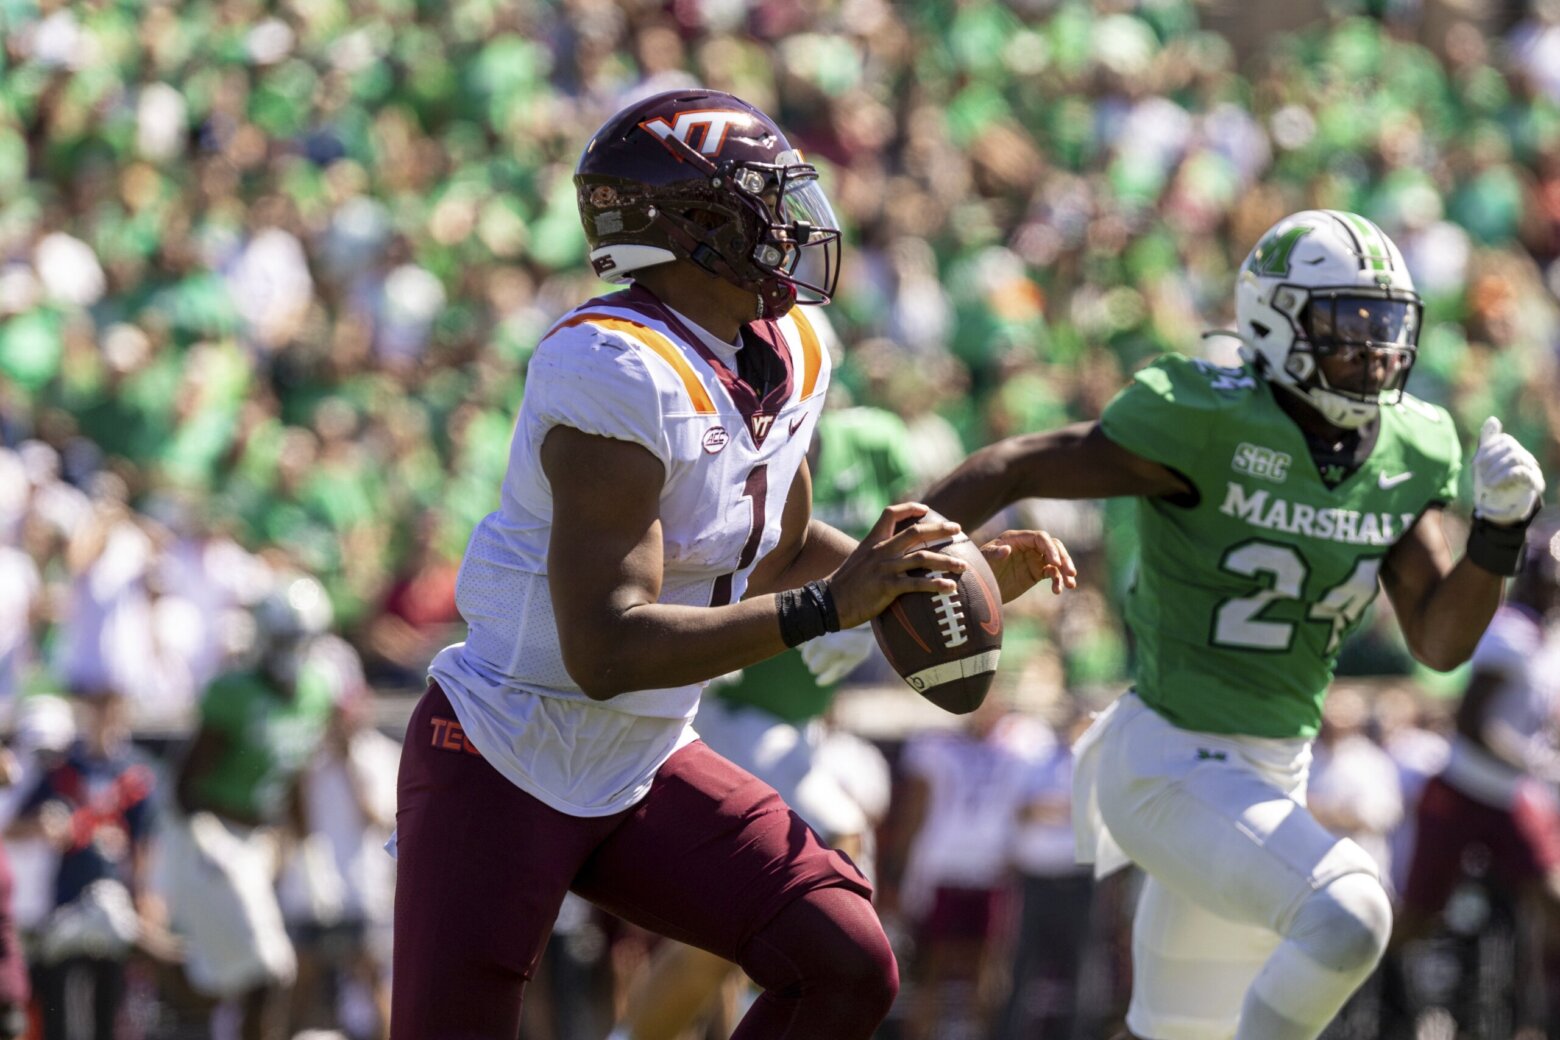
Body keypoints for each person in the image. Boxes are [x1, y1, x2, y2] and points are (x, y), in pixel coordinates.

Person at [389, 88, 1076, 1040]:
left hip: (641, 755)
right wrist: (832, 609)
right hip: (505, 750)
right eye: (764, 201)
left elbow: (781, 550)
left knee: (844, 961)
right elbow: (607, 649)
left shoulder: (787, 342)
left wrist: (924, 577)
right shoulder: (614, 369)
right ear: (697, 226)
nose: (794, 223)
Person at [923, 210, 1547, 1040]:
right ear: (1274, 320)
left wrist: (1499, 536)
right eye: (1348, 321)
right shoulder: (1205, 415)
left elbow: (1438, 641)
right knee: (1350, 912)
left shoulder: (1412, 445)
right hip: (1169, 760)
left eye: (1387, 322)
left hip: (1272, 774)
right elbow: (1014, 464)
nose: (1376, 346)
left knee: (1182, 1031)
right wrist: (880, 577)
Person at [161, 572, 348, 1040]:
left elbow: (296, 777)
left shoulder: (316, 692)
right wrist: (205, 834)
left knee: (237, 974)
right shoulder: (234, 691)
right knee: (266, 970)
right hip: (209, 835)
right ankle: (139, 949)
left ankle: (137, 948)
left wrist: (312, 853)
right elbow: (184, 783)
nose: (292, 648)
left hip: (257, 841)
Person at [1394, 519, 1560, 1035]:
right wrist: (1536, 764)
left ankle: (1542, 1015)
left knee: (1551, 899)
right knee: (1417, 917)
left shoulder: (1543, 641)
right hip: (1465, 789)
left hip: (1510, 797)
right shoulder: (1510, 633)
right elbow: (1473, 724)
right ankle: (1356, 996)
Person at [7, 688, 157, 1040]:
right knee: (60, 1014)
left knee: (109, 1012)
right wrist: (41, 826)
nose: (105, 720)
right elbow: (17, 824)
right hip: (63, 908)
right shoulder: (63, 771)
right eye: (98, 708)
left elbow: (144, 845)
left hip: (112, 905)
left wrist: (145, 904)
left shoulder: (134, 775)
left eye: (113, 709)